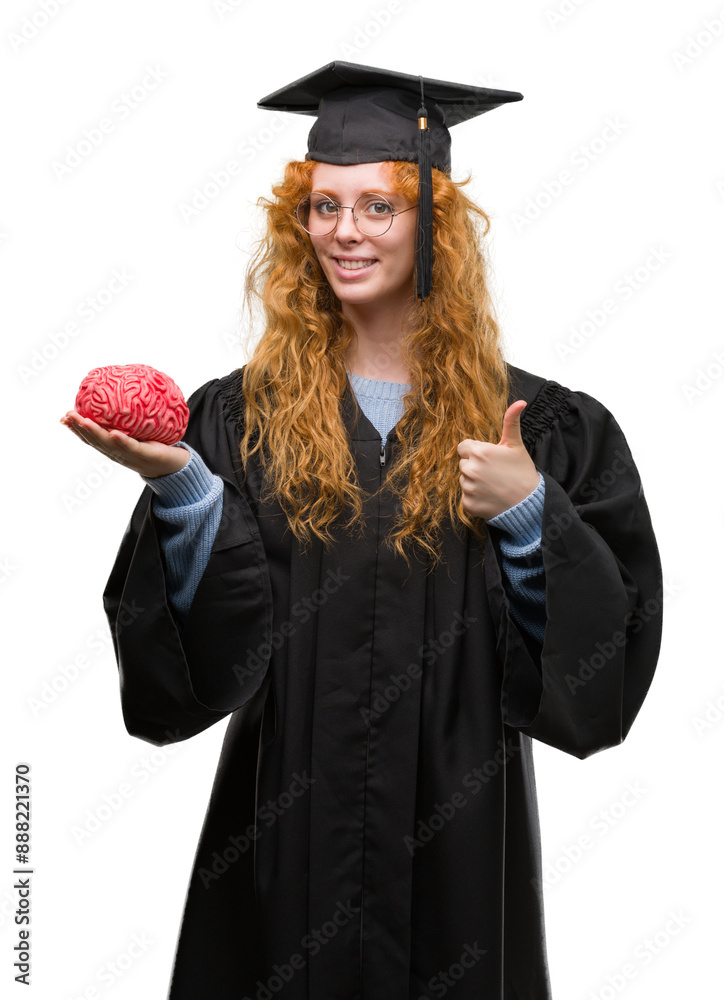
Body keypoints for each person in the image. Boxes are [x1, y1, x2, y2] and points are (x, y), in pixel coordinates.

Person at [60, 61, 663, 1000]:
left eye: (380, 207)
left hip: (460, 856)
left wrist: (530, 513)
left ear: (437, 227)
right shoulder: (236, 420)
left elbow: (605, 678)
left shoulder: (543, 428)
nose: (346, 232)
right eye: (324, 207)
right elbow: (185, 679)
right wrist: (185, 492)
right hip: (274, 856)